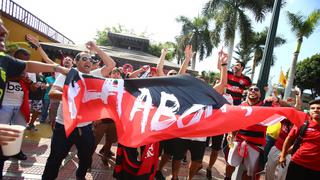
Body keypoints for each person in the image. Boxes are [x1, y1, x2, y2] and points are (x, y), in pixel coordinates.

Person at [0, 17, 69, 179]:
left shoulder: (4, 59)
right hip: (7, 107)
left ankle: (13, 152)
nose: (4, 32)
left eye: (3, 30)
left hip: (19, 106)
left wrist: (58, 67)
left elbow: (28, 65)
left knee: (8, 144)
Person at [42, 40, 115, 179]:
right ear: (76, 62)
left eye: (90, 59)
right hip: (63, 126)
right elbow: (52, 93)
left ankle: (80, 177)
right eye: (84, 58)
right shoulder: (67, 74)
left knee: (86, 159)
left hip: (85, 127)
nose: (88, 61)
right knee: (55, 159)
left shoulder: (94, 74)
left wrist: (95, 48)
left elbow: (111, 64)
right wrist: (73, 94)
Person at [279, 98, 320, 180]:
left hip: (317, 168)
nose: (315, 110)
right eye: (312, 108)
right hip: (298, 163)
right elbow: (289, 139)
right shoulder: (303, 124)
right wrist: (283, 155)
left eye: (318, 108)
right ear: (309, 111)